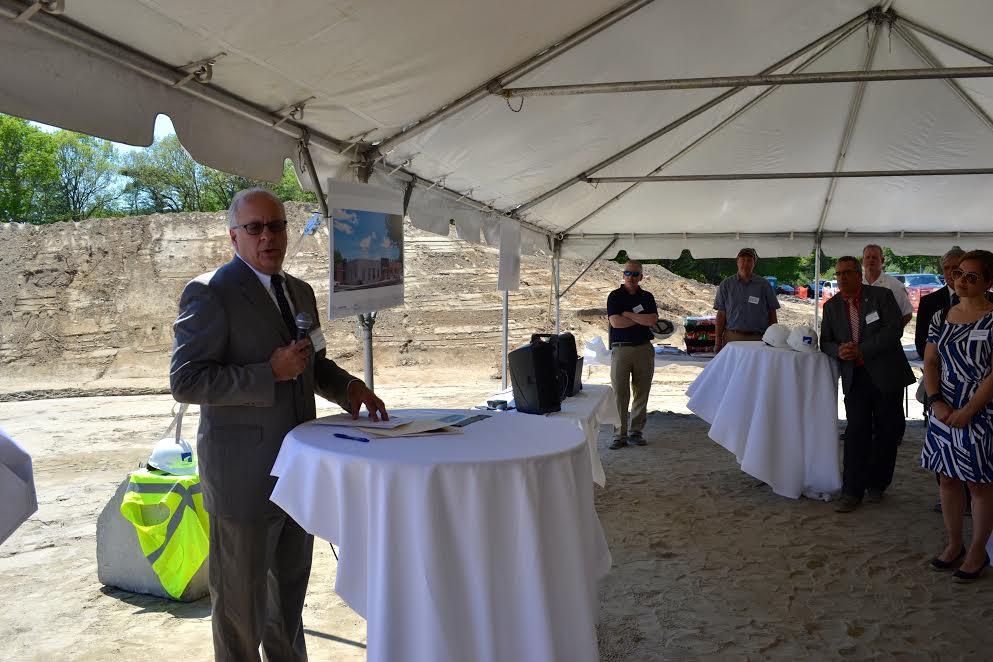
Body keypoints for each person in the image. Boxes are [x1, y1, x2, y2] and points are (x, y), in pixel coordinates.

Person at [170, 188, 388, 661]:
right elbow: (186, 381)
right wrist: (266, 372)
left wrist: (351, 389)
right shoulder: (210, 292)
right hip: (241, 483)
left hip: (296, 476)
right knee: (239, 618)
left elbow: (314, 366)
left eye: (277, 225)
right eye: (255, 228)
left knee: (286, 609)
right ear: (234, 236)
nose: (268, 236)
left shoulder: (300, 292)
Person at [821, 256, 915, 513]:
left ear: (857, 274)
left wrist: (861, 350)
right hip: (855, 377)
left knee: (886, 432)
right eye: (838, 274)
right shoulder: (831, 307)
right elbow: (825, 342)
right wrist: (840, 350)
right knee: (855, 433)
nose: (841, 278)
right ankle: (852, 491)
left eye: (846, 273)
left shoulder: (881, 296)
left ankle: (878, 484)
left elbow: (894, 330)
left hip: (885, 375)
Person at [921, 249, 993, 582]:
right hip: (943, 407)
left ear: (989, 282)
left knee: (979, 485)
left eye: (971, 276)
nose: (960, 280)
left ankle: (978, 550)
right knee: (948, 479)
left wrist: (968, 411)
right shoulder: (940, 316)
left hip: (981, 410)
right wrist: (936, 401)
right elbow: (931, 362)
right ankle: (954, 544)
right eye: (959, 273)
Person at [607, 261, 659, 449]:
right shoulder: (614, 296)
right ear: (623, 275)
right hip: (621, 350)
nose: (631, 277)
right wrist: (640, 320)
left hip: (644, 349)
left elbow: (652, 319)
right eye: (628, 273)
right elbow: (616, 323)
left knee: (641, 392)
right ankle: (619, 435)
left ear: (641, 277)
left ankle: (635, 432)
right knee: (620, 394)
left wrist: (627, 314)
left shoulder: (647, 296)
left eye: (635, 274)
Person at [714, 248, 779, 352]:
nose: (745, 263)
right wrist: (717, 340)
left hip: (758, 339)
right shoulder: (726, 285)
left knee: (756, 368)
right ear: (737, 262)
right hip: (732, 338)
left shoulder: (764, 285)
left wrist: (775, 339)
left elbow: (772, 313)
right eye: (742, 259)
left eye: (749, 260)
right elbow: (721, 314)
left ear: (754, 263)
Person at [862, 244, 913, 327]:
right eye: (867, 257)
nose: (870, 260)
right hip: (861, 338)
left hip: (885, 338)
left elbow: (907, 314)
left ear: (882, 260)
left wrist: (892, 333)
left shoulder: (895, 285)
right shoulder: (856, 283)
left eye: (874, 257)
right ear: (862, 261)